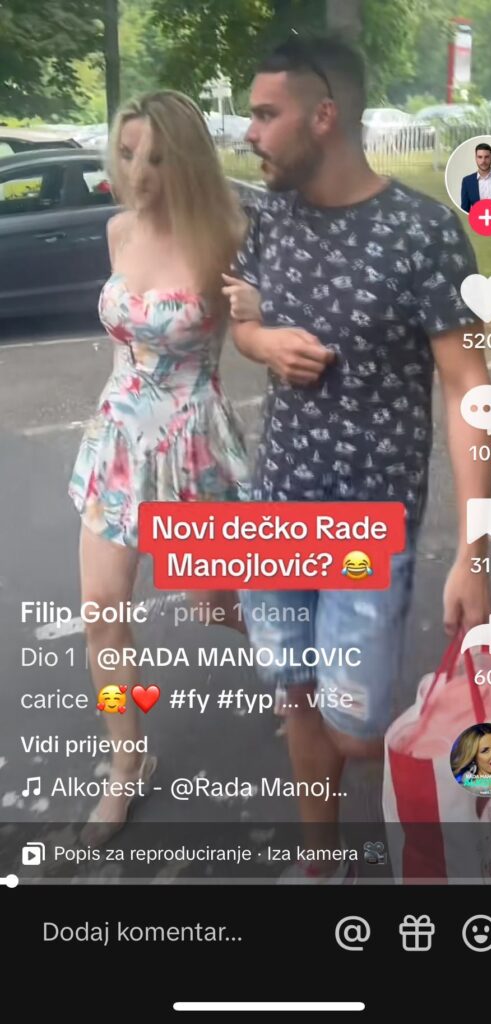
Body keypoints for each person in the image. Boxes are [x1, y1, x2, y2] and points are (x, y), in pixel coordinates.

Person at [229, 36, 491, 883]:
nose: (249, 132)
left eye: (265, 114)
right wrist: (264, 341)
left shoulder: (422, 232)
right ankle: (323, 865)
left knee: (354, 729)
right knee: (296, 694)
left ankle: (436, 817)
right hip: (276, 513)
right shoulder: (269, 219)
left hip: (368, 531)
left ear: (324, 116)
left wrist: (474, 552)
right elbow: (242, 322)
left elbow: (469, 389)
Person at [68, 90, 258, 842]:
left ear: (187, 161)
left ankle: (299, 673)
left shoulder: (227, 236)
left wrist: (261, 316)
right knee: (100, 613)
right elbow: (128, 343)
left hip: (193, 448)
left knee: (218, 607)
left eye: (155, 158)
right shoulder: (117, 231)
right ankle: (127, 763)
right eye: (126, 155)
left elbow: (256, 336)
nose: (137, 173)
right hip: (118, 443)